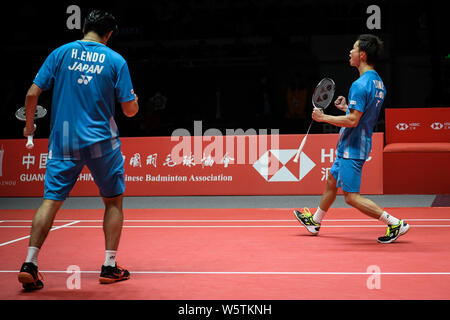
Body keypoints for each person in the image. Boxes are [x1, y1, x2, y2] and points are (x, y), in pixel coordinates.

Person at [18, 10, 139, 290]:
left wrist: (28, 127)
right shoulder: (115, 60)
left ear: (84, 27)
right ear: (109, 34)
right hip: (101, 142)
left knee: (50, 200)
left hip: (64, 140)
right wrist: (136, 102)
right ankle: (109, 266)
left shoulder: (60, 53)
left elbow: (32, 94)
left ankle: (29, 263)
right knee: (112, 202)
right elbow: (129, 111)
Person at [294, 34, 410, 244]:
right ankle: (315, 221)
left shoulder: (359, 84)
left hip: (353, 145)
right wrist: (346, 108)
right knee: (332, 180)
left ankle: (394, 223)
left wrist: (323, 117)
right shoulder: (378, 82)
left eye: (354, 49)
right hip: (355, 142)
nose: (350, 52)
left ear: (363, 55)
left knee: (351, 197)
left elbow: (353, 121)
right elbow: (362, 115)